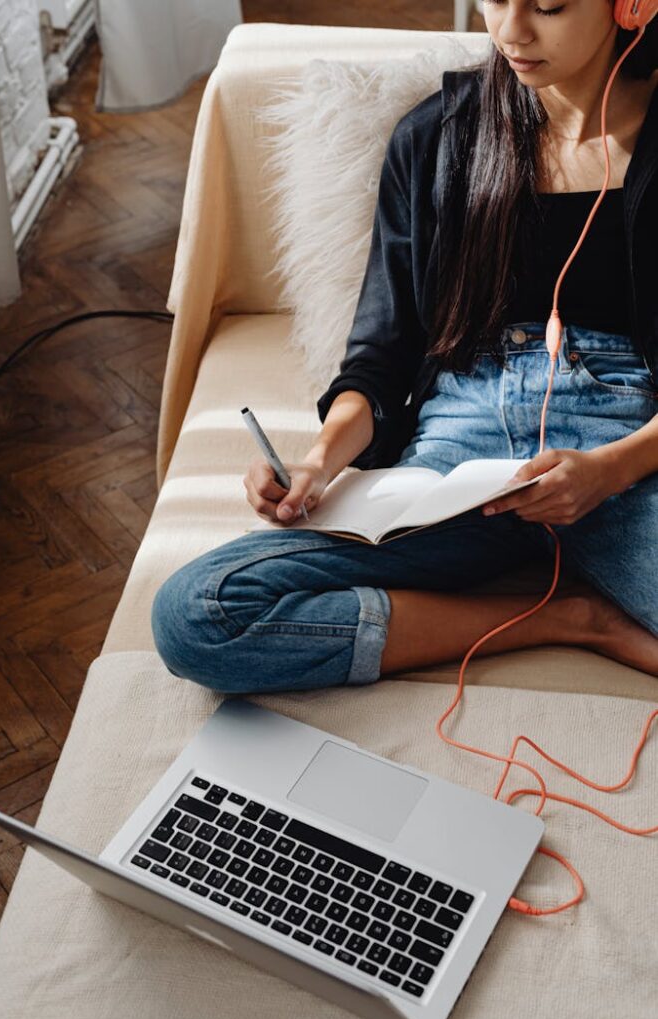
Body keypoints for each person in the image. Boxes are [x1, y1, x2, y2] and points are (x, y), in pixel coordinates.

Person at [151, 0, 658, 693]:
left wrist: (608, 470)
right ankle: (567, 620)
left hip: (627, 451)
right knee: (198, 615)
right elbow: (380, 355)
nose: (509, 31)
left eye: (546, 6)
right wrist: (319, 462)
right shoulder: (434, 138)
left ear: (629, 7)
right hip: (459, 450)